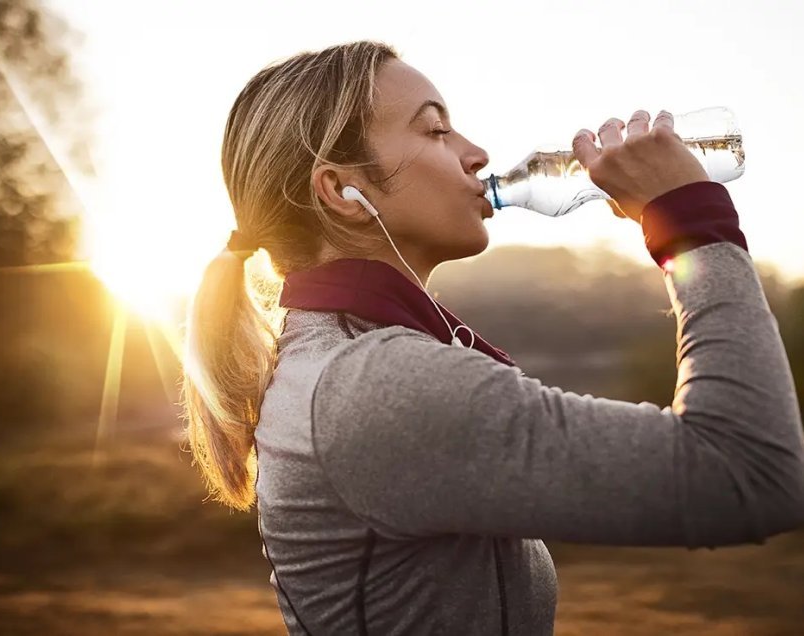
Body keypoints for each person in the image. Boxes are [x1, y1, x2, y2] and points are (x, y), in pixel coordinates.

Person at [180, 40, 804, 635]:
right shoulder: (375, 384)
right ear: (343, 191)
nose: (476, 153)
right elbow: (748, 470)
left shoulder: (347, 360)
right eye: (435, 130)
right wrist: (690, 217)